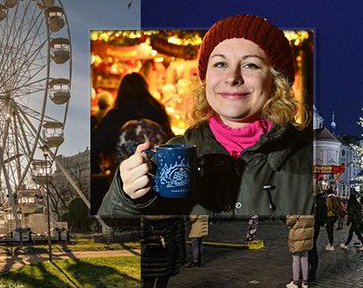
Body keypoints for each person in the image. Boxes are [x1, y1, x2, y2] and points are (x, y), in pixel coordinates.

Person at [98, 14, 313, 216]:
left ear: (277, 81)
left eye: (250, 65)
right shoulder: (173, 151)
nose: (232, 77)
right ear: (205, 79)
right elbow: (114, 232)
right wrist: (126, 197)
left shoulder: (308, 156)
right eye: (220, 64)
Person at [91, 72, 174, 175]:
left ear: (121, 91)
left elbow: (94, 145)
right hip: (159, 172)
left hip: (122, 178)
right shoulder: (158, 110)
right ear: (145, 88)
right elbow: (171, 139)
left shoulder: (115, 114)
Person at [141, 216, 186, 288]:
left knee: (148, 282)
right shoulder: (177, 217)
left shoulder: (148, 215)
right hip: (167, 254)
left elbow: (144, 236)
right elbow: (179, 239)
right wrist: (182, 257)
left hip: (150, 253)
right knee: (162, 283)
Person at [285, 215, 314, 288]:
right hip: (306, 236)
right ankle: (305, 282)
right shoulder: (310, 208)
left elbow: (289, 221)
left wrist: (288, 216)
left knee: (296, 259)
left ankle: (295, 282)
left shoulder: (298, 208)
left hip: (297, 237)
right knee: (305, 259)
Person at [308, 191, 327, 281]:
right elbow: (324, 217)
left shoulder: (316, 203)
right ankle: (312, 269)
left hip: (312, 225)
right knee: (312, 246)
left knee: (311, 248)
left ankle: (311, 270)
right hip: (316, 226)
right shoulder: (323, 203)